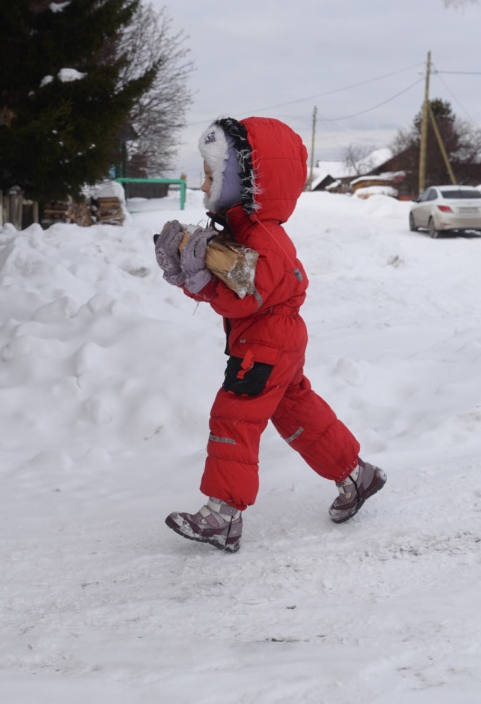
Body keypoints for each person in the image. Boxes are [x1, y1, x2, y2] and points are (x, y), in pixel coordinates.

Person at [153, 116, 386, 553]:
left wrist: (198, 280)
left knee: (235, 416)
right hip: (274, 340)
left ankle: (223, 515)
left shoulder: (265, 238)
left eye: (211, 176)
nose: (203, 187)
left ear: (245, 181)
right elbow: (236, 292)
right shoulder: (245, 232)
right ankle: (357, 474)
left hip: (267, 343)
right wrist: (190, 274)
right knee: (297, 412)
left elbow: (242, 299)